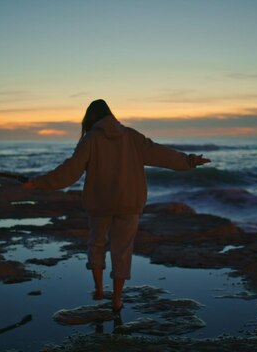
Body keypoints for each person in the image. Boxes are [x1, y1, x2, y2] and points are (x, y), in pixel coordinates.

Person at [23, 99, 210, 311]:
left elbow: (70, 171)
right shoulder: (131, 136)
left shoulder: (90, 139)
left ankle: (99, 289)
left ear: (90, 118)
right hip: (129, 203)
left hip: (99, 203)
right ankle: (117, 299)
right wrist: (190, 160)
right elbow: (162, 154)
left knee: (97, 244)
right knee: (122, 250)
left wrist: (39, 183)